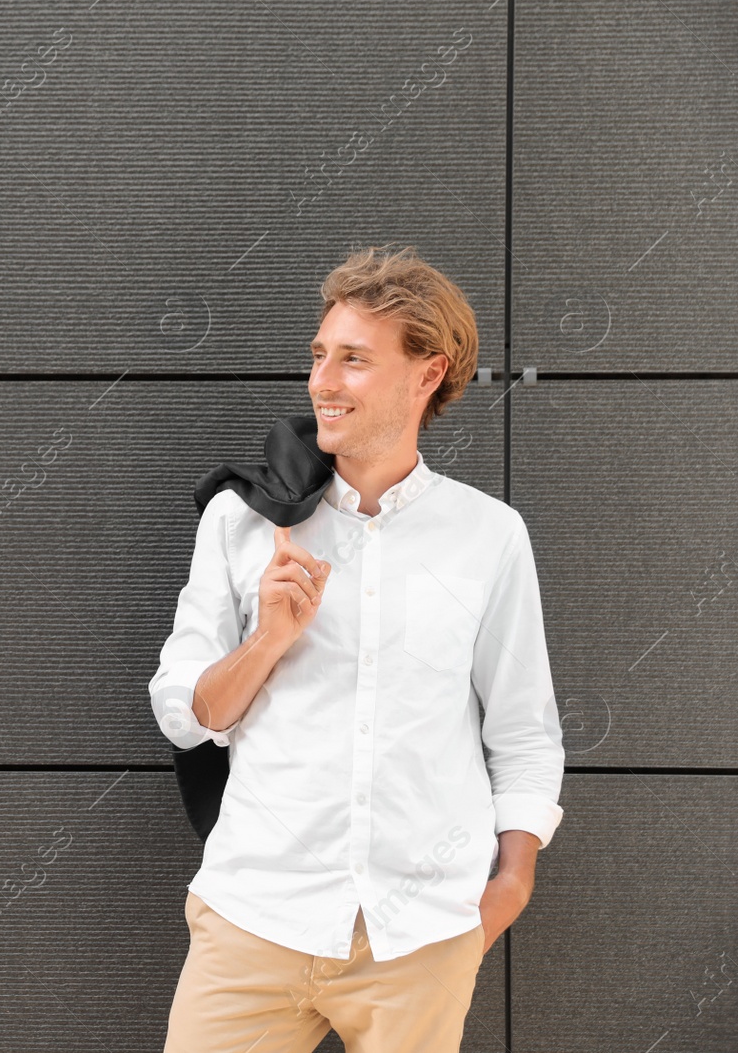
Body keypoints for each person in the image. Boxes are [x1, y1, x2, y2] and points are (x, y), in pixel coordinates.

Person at [149, 244, 566, 1053]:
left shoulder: (489, 536)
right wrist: (267, 641)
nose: (322, 382)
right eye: (319, 356)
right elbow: (185, 714)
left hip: (420, 939)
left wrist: (510, 884)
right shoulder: (243, 523)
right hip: (255, 919)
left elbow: (522, 730)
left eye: (353, 360)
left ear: (425, 374)